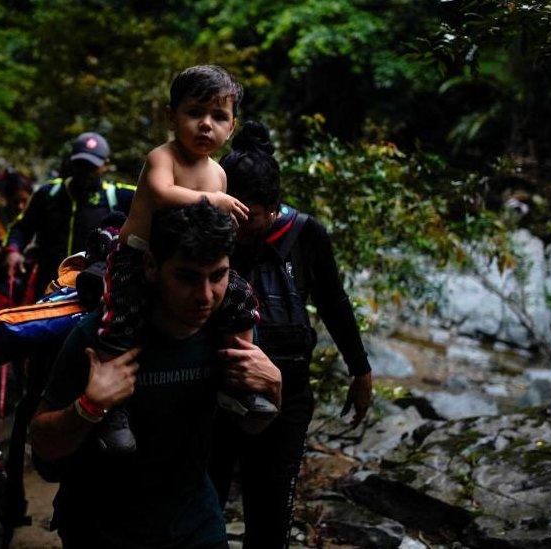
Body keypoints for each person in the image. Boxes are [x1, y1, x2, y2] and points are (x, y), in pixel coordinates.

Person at [30, 201, 282, 549]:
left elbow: (251, 428)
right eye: (187, 277)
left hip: (194, 521)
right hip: (100, 527)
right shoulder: (101, 338)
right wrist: (88, 407)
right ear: (151, 266)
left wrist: (274, 390)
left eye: (218, 276)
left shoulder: (231, 333)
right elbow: (43, 449)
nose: (205, 297)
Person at [208, 121, 374, 548]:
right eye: (235, 214)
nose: (241, 228)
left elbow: (334, 303)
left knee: (270, 511)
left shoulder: (306, 234)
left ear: (274, 205)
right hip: (213, 389)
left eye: (252, 218)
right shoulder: (212, 226)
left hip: (288, 396)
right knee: (204, 501)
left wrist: (361, 370)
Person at [94, 64, 273, 454]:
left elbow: (217, 233)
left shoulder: (218, 174)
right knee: (121, 318)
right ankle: (114, 407)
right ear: (171, 116)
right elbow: (161, 194)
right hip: (137, 255)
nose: (205, 125)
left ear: (232, 126)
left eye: (219, 117)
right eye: (195, 113)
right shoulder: (163, 157)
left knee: (242, 300)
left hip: (192, 263)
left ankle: (236, 384)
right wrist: (217, 201)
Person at [5, 133, 135, 298]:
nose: (85, 172)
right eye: (80, 164)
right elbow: (21, 228)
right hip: (47, 285)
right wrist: (13, 251)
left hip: (93, 290)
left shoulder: (118, 196)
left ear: (105, 165)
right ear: (71, 162)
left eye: (92, 166)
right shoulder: (48, 194)